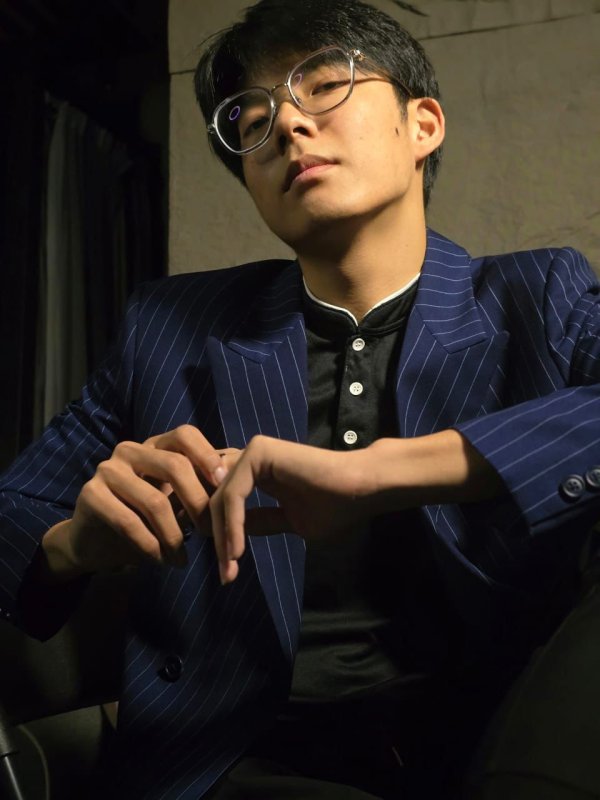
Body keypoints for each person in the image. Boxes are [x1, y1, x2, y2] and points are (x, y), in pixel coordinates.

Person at [1, 0, 599, 797]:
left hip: (493, 752)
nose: (287, 125)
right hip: (238, 763)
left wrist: (379, 471)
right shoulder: (171, 329)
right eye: (253, 121)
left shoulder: (539, 295)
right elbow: (13, 518)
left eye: (324, 85)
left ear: (422, 125)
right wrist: (72, 543)